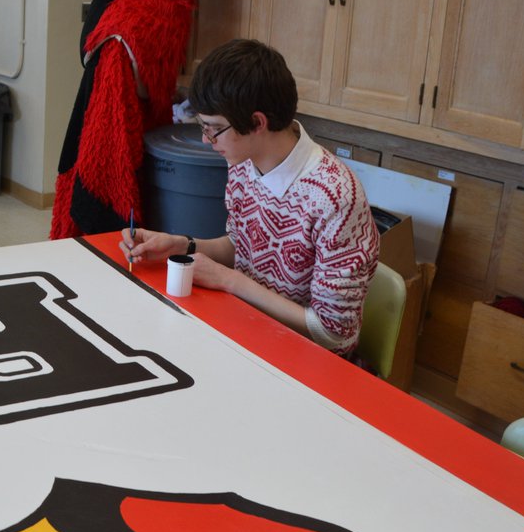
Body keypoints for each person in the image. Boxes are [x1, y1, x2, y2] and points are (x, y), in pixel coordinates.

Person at [122, 39, 379, 357]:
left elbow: (333, 336)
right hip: (245, 329)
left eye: (214, 128)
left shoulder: (335, 197)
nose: (205, 139)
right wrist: (182, 245)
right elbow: (240, 248)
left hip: (302, 361)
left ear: (258, 122)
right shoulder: (243, 163)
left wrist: (230, 282)